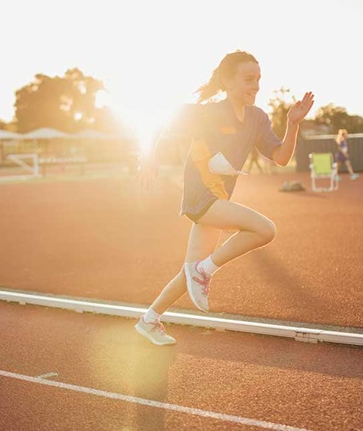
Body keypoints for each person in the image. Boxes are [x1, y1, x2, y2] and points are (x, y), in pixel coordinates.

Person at [134, 50, 314, 346]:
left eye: (258, 79)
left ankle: (149, 320)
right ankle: (205, 271)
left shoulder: (257, 118)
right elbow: (159, 122)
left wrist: (293, 124)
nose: (255, 85)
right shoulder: (207, 113)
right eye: (248, 79)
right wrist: (148, 157)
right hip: (200, 196)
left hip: (218, 198)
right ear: (228, 82)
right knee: (265, 229)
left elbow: (281, 157)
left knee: (188, 273)